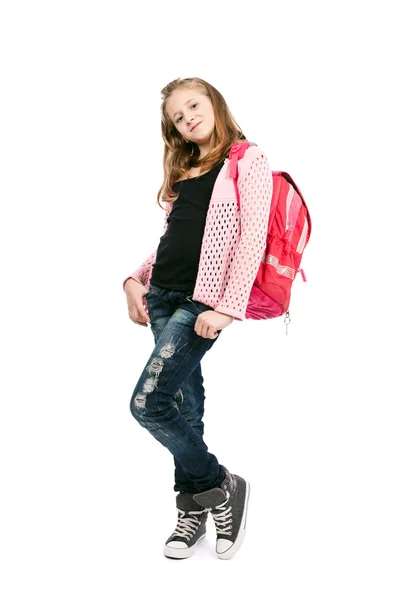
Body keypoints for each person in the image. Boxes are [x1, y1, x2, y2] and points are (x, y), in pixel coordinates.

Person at [122, 77, 273, 560]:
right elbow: (174, 238)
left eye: (193, 105)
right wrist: (134, 279)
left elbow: (251, 239)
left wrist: (226, 307)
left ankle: (220, 483)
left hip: (199, 303)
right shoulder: (188, 167)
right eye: (178, 116)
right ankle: (193, 508)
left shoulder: (248, 158)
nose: (188, 117)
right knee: (184, 407)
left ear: (214, 103)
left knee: (148, 404)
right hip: (161, 296)